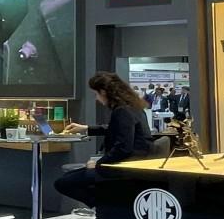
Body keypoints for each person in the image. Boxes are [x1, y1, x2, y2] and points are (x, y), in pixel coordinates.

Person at [54, 71, 154, 208]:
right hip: (134, 163)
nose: (97, 99)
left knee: (63, 183)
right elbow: (116, 129)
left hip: (124, 167)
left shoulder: (122, 111)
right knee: (69, 178)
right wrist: (85, 128)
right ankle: (105, 204)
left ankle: (104, 205)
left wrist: (99, 163)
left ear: (103, 92)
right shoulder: (133, 107)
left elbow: (123, 148)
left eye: (96, 94)